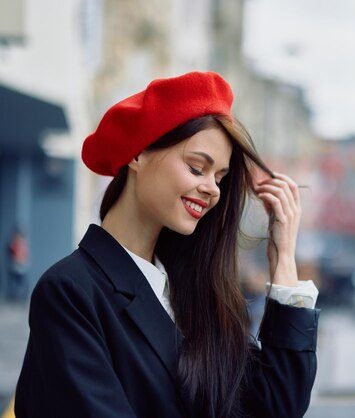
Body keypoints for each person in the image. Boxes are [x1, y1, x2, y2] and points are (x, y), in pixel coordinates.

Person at [15, 71, 320, 418]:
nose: (212, 189)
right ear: (137, 154)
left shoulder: (195, 292)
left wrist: (283, 261)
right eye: (196, 168)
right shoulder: (71, 292)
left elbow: (277, 407)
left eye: (219, 177)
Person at [6, 227, 29, 301]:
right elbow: (11, 253)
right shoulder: (14, 243)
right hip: (15, 266)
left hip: (21, 266)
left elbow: (25, 255)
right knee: (14, 284)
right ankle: (14, 297)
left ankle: (22, 297)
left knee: (21, 283)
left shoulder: (23, 244)